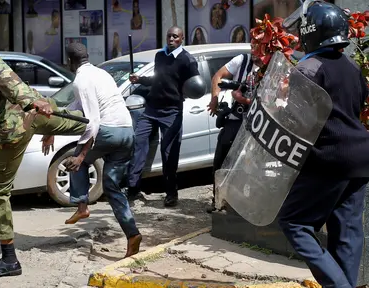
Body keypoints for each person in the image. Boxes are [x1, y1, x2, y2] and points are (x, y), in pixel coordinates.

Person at [235, 1, 369, 287]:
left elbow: (293, 119)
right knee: (346, 232)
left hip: (329, 158)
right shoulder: (352, 69)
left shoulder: (308, 68)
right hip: (361, 158)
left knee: (294, 222)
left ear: (311, 33)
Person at [0, 46, 86, 277]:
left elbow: (10, 82)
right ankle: (112, 123)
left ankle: (9, 260)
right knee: (80, 123)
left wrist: (33, 102)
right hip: (32, 115)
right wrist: (38, 103)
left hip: (12, 129)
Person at [62, 43, 142, 257]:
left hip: (107, 131)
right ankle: (132, 235)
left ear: (70, 61)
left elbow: (93, 121)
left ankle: (81, 206)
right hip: (127, 132)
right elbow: (78, 105)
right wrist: (57, 117)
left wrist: (81, 155)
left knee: (76, 161)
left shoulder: (80, 80)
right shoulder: (101, 73)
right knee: (112, 186)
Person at [126, 26, 200, 207]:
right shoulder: (160, 56)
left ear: (182, 38)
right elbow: (158, 79)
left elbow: (196, 85)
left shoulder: (187, 60)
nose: (171, 39)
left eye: (175, 36)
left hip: (172, 112)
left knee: (169, 154)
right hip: (151, 109)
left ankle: (171, 194)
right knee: (139, 143)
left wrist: (187, 94)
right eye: (169, 36)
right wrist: (140, 79)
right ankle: (133, 189)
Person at [206, 53, 261, 213]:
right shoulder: (243, 60)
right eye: (253, 45)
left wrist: (245, 100)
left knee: (249, 165)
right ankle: (219, 200)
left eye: (259, 45)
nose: (255, 49)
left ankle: (245, 205)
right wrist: (214, 98)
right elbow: (218, 77)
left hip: (258, 124)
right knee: (221, 160)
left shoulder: (273, 66)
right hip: (236, 118)